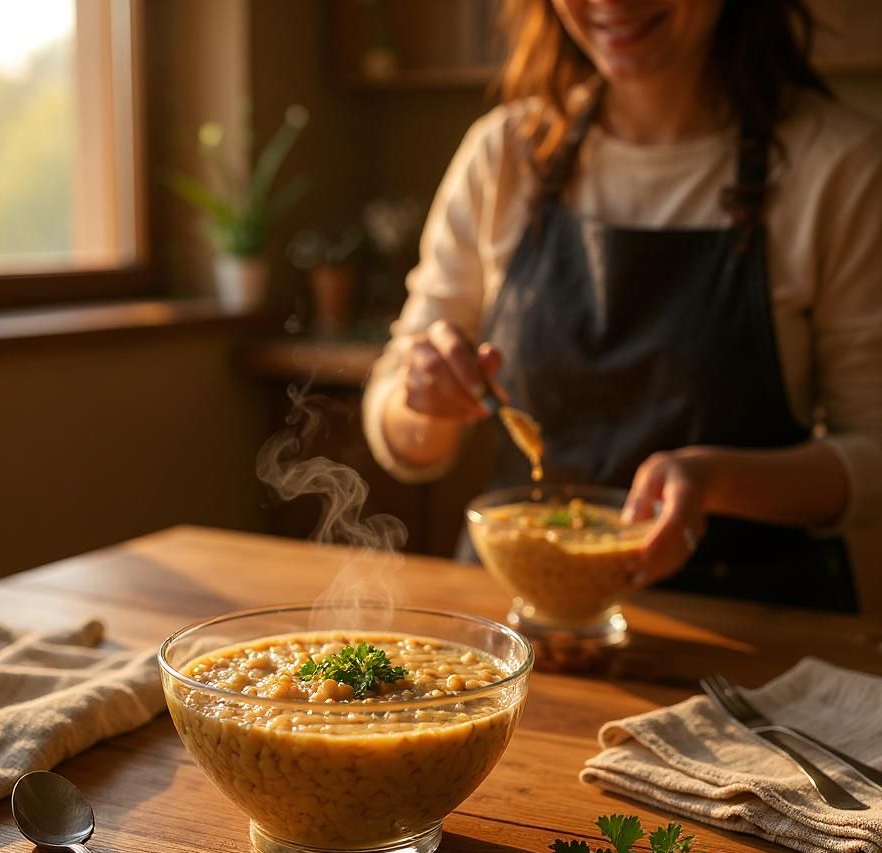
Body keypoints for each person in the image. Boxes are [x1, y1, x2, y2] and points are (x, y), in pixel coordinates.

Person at [362, 0, 882, 612]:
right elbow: (397, 421)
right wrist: (423, 399)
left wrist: (715, 482)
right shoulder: (504, 153)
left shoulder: (840, 165)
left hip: (751, 620)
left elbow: (873, 451)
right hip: (520, 619)